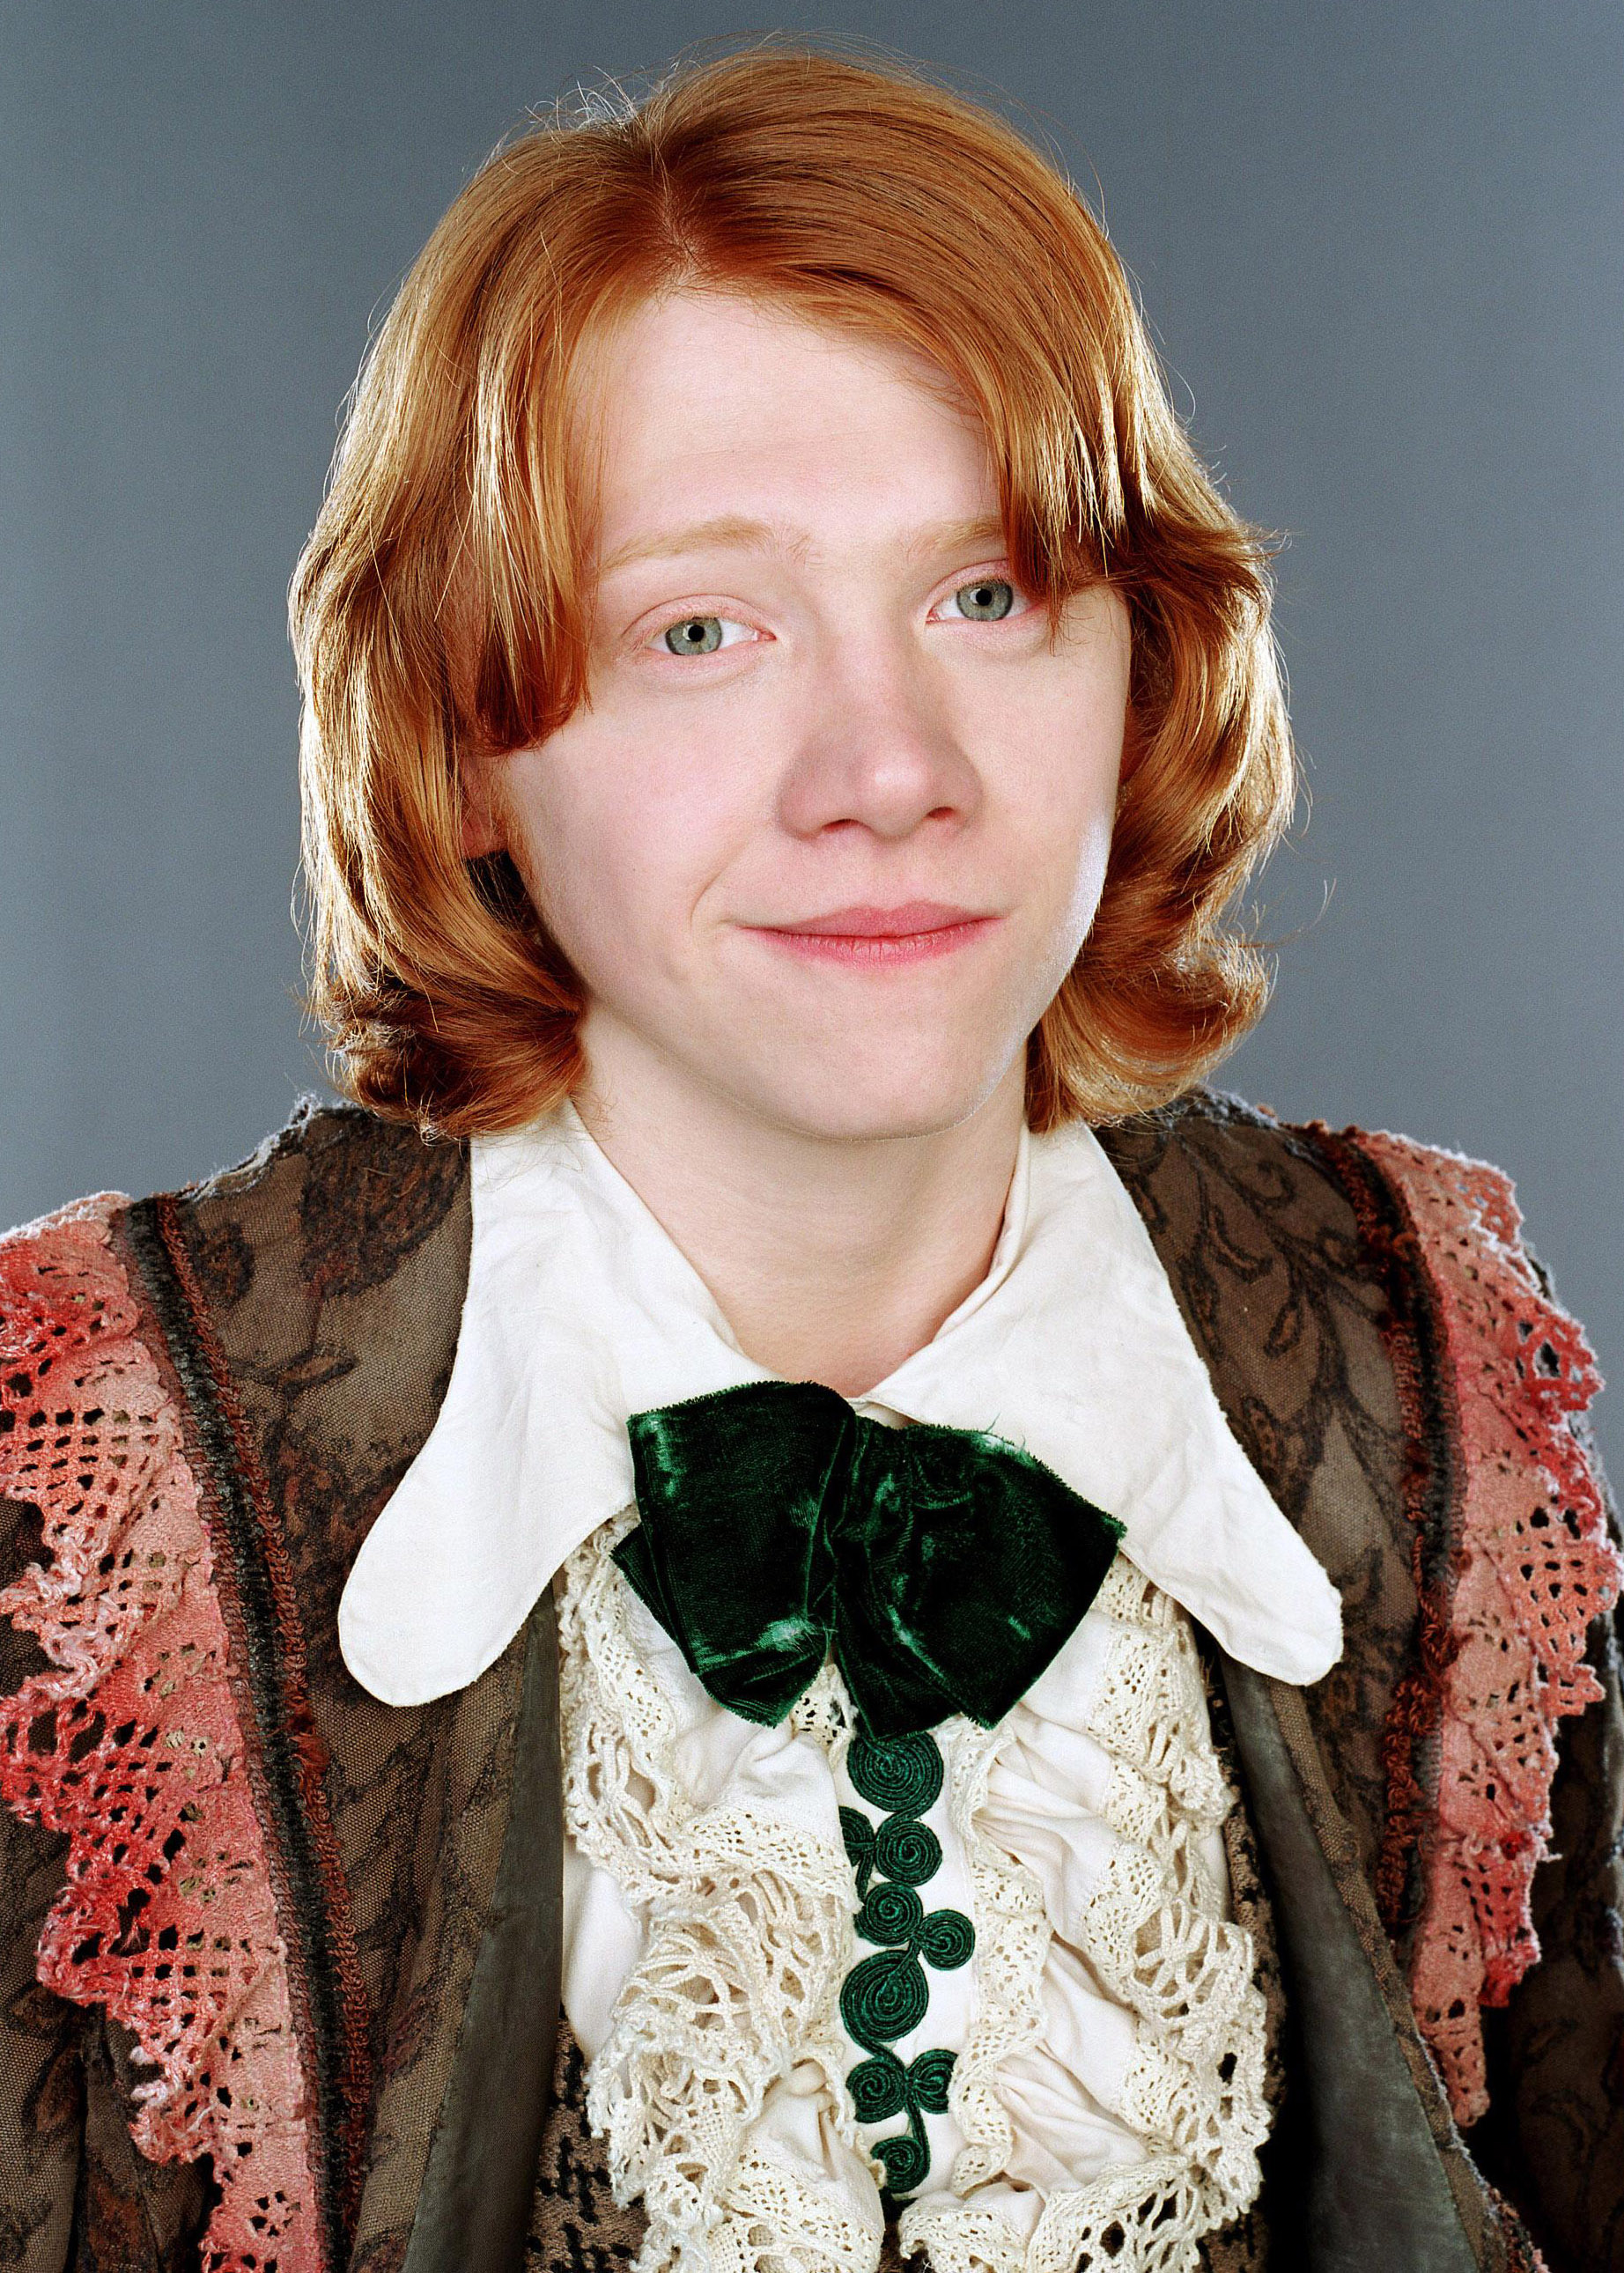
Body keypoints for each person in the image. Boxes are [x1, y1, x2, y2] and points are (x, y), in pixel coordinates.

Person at [0, 44, 1618, 2273]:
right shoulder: (102, 1499)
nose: (888, 767)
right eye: (701, 631)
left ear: (1143, 661)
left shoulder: (1416, 1375)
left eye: (987, 596)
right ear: (460, 739)